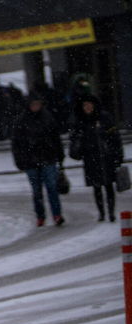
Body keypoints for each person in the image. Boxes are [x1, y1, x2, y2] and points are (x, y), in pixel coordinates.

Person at [11, 93, 66, 227]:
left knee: (51, 188)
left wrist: (59, 155)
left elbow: (55, 138)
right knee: (37, 191)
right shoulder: (22, 121)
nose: (36, 107)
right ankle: (41, 215)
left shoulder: (46, 118)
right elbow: (17, 144)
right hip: (33, 160)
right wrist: (20, 159)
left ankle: (56, 214)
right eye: (34, 104)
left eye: (37, 104)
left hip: (45, 158)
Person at [69, 94, 122, 223]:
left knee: (108, 185)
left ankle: (110, 212)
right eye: (85, 105)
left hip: (106, 157)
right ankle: (102, 213)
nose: (87, 108)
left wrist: (118, 156)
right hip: (91, 158)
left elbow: (114, 137)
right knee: (96, 187)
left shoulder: (104, 118)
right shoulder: (80, 121)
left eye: (89, 105)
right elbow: (75, 139)